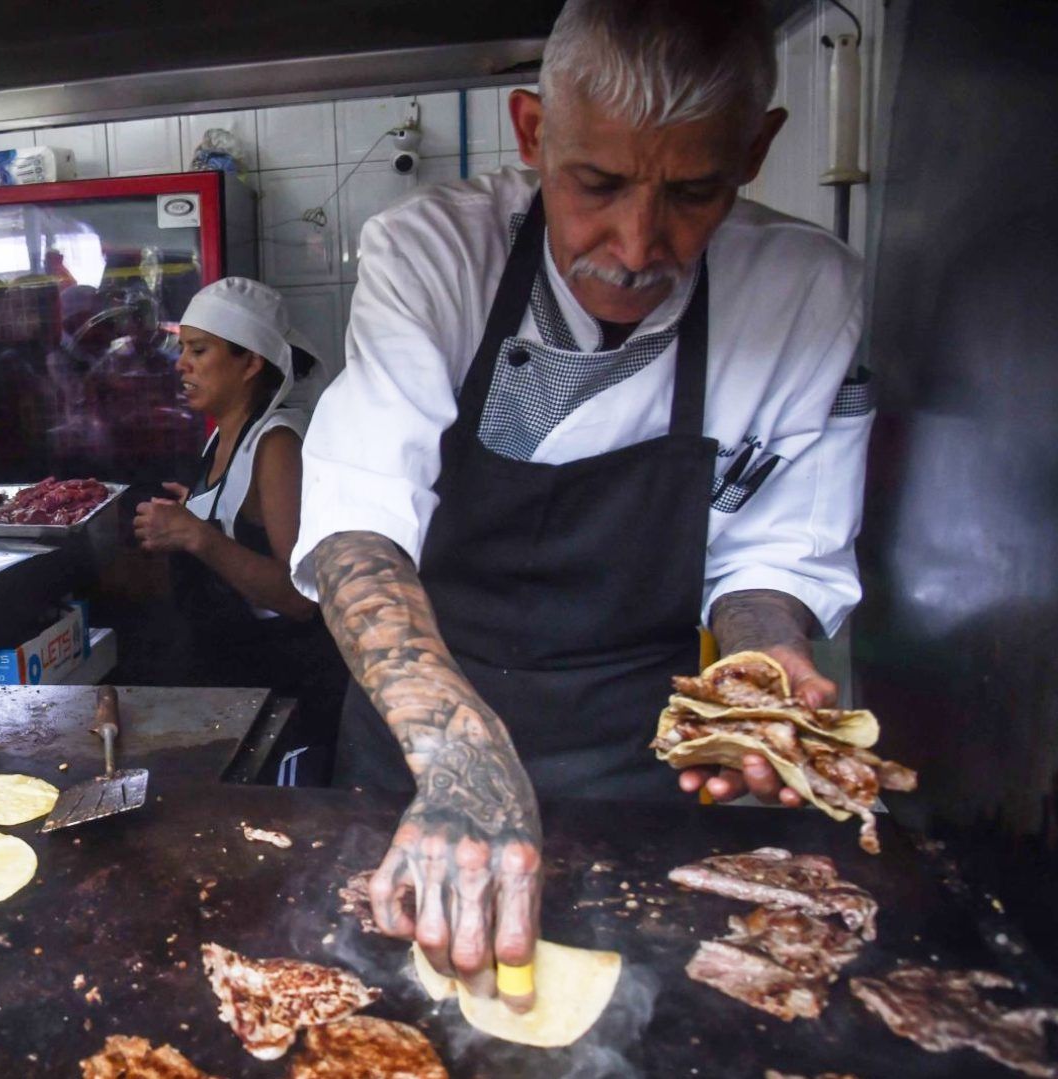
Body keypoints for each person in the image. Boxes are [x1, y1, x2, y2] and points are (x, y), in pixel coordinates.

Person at [291, 0, 875, 1012]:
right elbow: (357, 525)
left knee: (635, 1017)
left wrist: (756, 676)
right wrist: (460, 751)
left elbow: (771, 556)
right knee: (386, 1013)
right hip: (419, 746)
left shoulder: (802, 291)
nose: (637, 242)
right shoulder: (434, 253)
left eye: (693, 191)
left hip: (628, 760)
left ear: (755, 150)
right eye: (595, 184)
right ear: (531, 132)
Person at [133, 278, 347, 774]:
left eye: (199, 350)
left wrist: (196, 534)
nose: (181, 364)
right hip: (237, 685)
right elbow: (242, 520)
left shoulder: (277, 444)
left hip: (288, 698)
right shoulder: (226, 436)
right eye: (181, 348)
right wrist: (196, 513)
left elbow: (300, 597)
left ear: (251, 363)